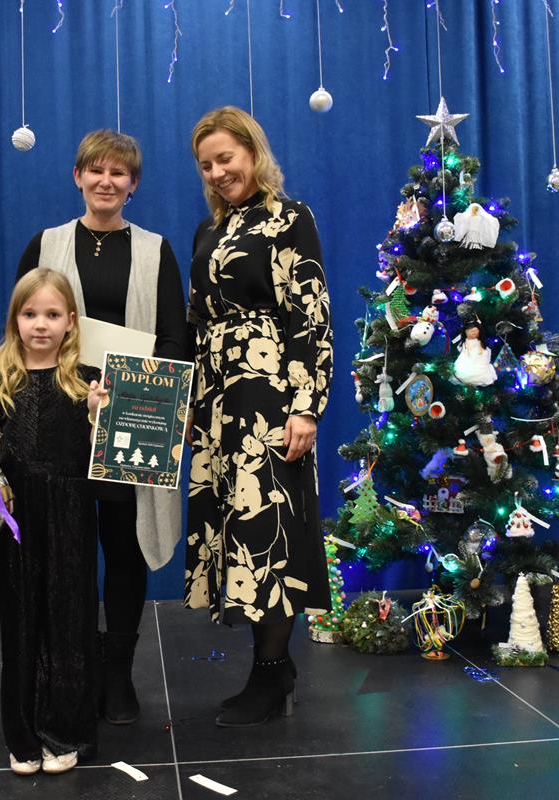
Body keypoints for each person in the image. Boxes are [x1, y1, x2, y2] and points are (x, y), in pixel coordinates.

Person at [16, 130, 187, 725]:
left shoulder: (156, 250)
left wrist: (141, 399)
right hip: (59, 415)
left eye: (119, 173)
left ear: (133, 184)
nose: (106, 181)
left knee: (123, 545)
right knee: (66, 549)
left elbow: (173, 337)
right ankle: (76, 668)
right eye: (96, 170)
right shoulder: (46, 244)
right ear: (78, 176)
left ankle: (117, 675)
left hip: (129, 414)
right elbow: (24, 328)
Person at [185, 106, 333, 727]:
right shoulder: (208, 229)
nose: (218, 172)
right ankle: (273, 669)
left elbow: (311, 314)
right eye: (206, 165)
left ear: (253, 152)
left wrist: (306, 406)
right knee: (238, 531)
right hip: (218, 398)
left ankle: (271, 675)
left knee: (268, 529)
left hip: (269, 394)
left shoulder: (290, 218)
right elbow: (194, 320)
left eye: (226, 158)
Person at [0, 268, 107, 775]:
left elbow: (106, 452)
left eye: (52, 314)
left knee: (70, 616)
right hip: (17, 516)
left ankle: (68, 729)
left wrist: (99, 414)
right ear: (14, 321)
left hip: (71, 511)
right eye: (30, 314)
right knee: (20, 617)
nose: (40, 324)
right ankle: (21, 732)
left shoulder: (88, 381)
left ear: (70, 322)